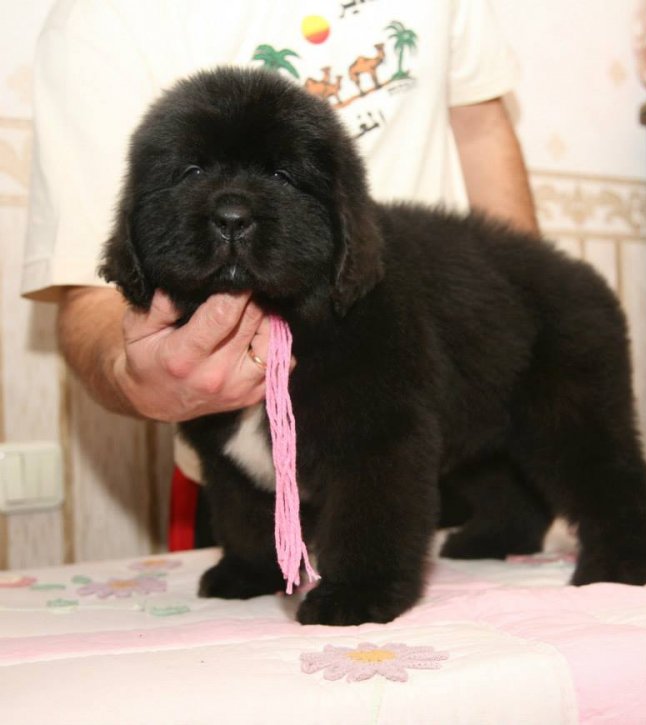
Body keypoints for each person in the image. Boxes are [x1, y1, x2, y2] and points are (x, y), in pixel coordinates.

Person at [24, 0, 538, 549]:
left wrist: (527, 329)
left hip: (426, 428)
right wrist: (134, 373)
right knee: (245, 576)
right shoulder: (96, 16)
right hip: (239, 470)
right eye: (195, 172)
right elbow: (88, 287)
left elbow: (482, 131)